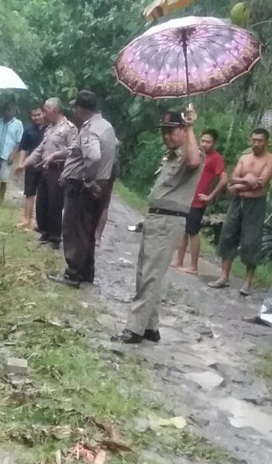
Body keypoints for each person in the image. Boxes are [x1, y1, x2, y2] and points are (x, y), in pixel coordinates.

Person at [114, 107, 203, 344]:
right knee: (145, 272)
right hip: (156, 218)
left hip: (169, 220)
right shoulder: (171, 155)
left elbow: (194, 161)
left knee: (150, 275)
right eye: (164, 132)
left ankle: (134, 328)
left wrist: (192, 127)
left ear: (183, 131)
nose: (167, 136)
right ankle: (150, 327)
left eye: (171, 131)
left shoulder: (190, 153)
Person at [49, 90, 117, 288]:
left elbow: (94, 156)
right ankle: (86, 272)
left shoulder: (90, 129)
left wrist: (87, 178)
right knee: (87, 229)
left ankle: (73, 273)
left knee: (74, 228)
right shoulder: (106, 126)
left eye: (75, 107)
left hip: (82, 187)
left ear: (80, 109)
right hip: (100, 185)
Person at [208, 128, 272, 295]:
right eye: (254, 140)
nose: (256, 143)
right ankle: (223, 276)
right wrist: (245, 180)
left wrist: (238, 184)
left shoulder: (269, 159)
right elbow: (232, 178)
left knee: (251, 240)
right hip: (237, 201)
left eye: (260, 140)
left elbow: (260, 183)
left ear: (266, 142)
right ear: (250, 140)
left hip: (255, 203)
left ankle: (247, 282)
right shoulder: (244, 158)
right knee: (228, 234)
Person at [171, 129, 227, 275]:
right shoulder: (198, 155)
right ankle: (179, 260)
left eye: (208, 141)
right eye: (202, 141)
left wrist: (210, 196)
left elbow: (224, 179)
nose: (204, 144)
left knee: (193, 232)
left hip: (198, 201)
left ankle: (194, 267)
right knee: (183, 230)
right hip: (187, 198)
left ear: (214, 143)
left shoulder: (216, 158)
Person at [24, 98, 77, 249]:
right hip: (45, 170)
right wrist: (25, 163)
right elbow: (41, 148)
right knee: (42, 202)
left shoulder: (69, 128)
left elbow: (73, 151)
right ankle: (45, 232)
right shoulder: (50, 128)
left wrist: (56, 156)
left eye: (46, 109)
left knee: (55, 204)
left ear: (55, 110)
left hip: (59, 169)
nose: (44, 112)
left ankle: (55, 238)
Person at [15, 106, 46, 230]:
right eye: (34, 115)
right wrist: (20, 164)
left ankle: (39, 222)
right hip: (31, 165)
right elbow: (24, 148)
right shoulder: (28, 130)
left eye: (38, 114)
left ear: (43, 113)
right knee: (29, 193)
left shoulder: (50, 129)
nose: (36, 117)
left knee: (43, 195)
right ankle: (26, 219)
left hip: (45, 166)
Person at [0, 103, 24, 204]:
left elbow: (19, 141)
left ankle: (1, 200)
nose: (7, 112)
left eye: (10, 110)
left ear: (14, 111)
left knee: (4, 178)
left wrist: (13, 154)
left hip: (7, 154)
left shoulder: (18, 124)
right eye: (6, 110)